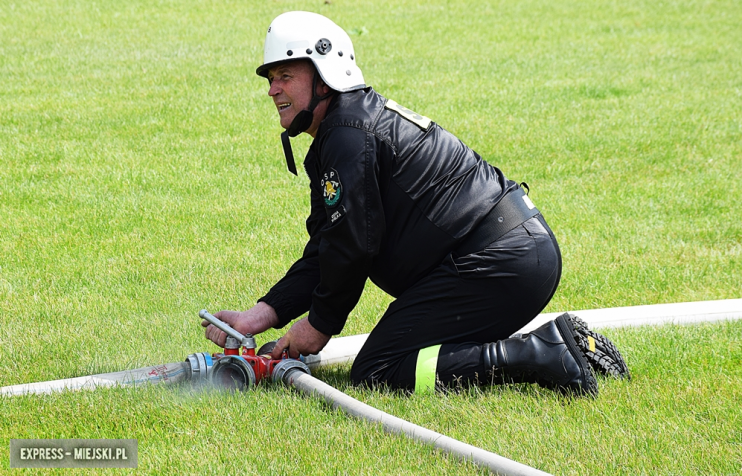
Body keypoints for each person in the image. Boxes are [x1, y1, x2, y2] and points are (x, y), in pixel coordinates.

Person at [203, 11, 629, 395]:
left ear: (323, 75)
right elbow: (328, 247)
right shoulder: (347, 127)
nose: (273, 89)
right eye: (270, 78)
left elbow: (352, 249)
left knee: (380, 369)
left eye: (284, 76)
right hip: (507, 254)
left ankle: (544, 352)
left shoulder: (347, 136)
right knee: (392, 359)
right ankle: (569, 344)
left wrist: (318, 326)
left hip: (498, 261)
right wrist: (263, 314)